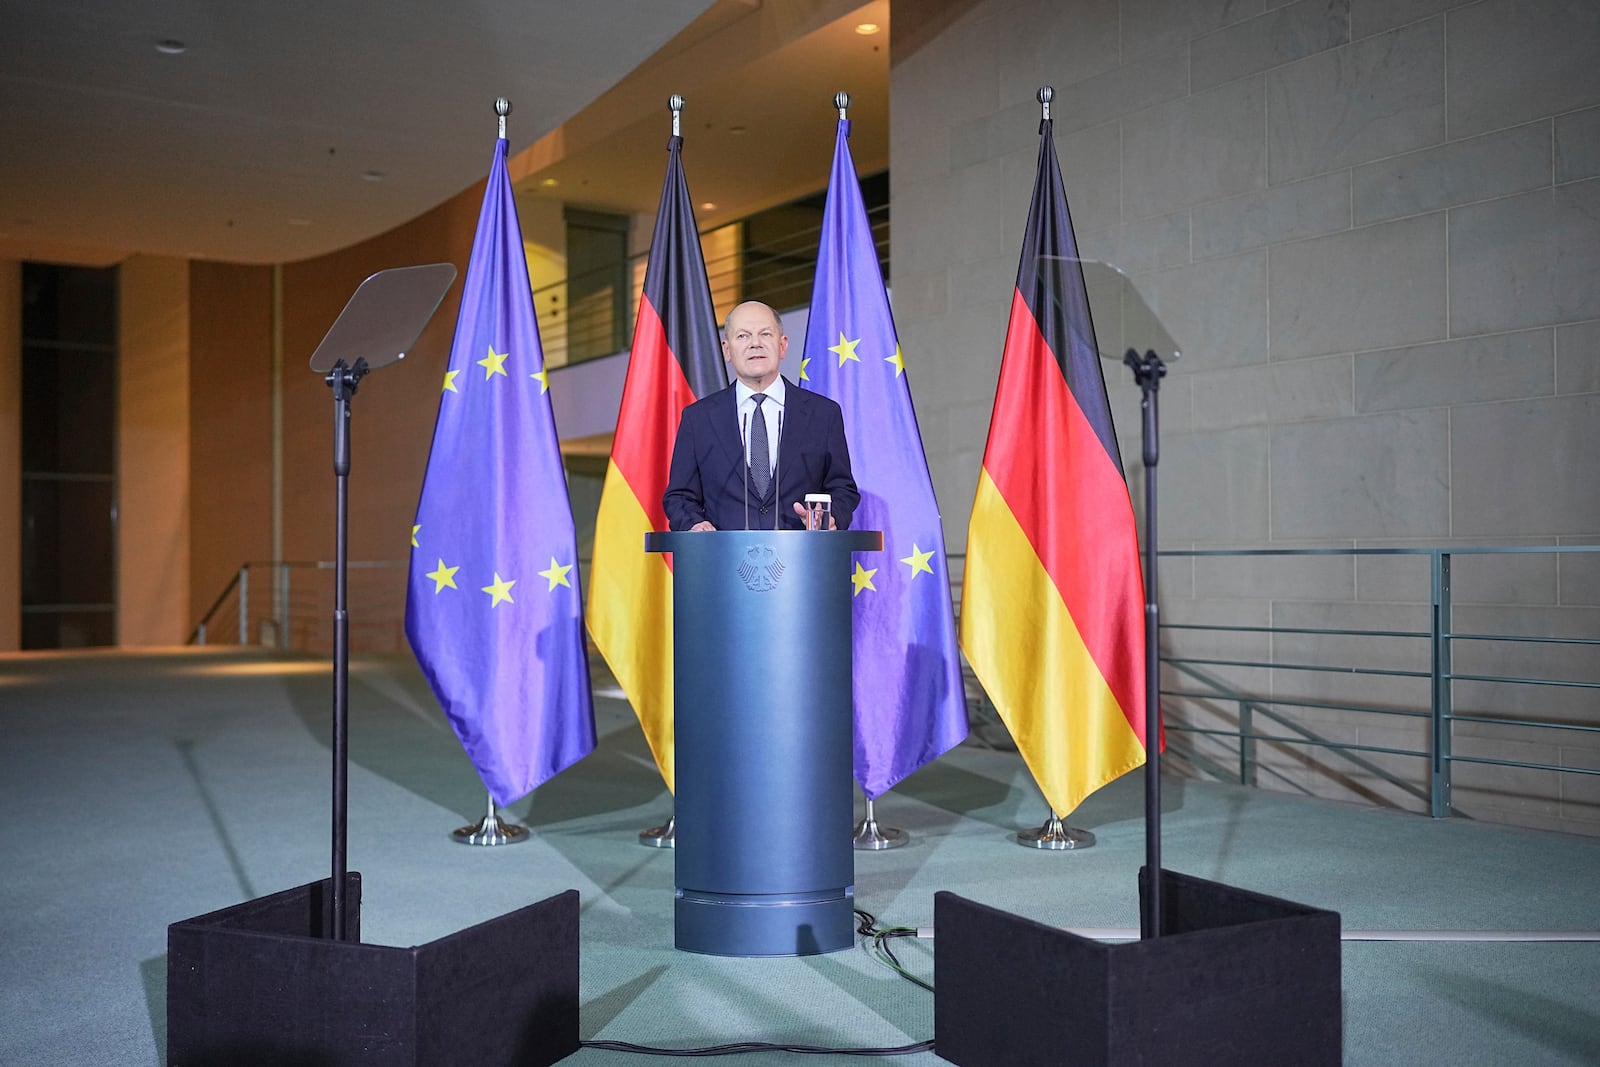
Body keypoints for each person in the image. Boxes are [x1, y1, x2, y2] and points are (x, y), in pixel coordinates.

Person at [664, 300, 858, 531]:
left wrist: (830, 517)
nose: (755, 344)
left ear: (783, 345)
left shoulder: (823, 414)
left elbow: (842, 487)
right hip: (724, 560)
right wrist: (694, 524)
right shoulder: (699, 419)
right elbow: (680, 496)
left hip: (802, 559)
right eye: (743, 336)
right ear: (727, 350)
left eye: (765, 334)